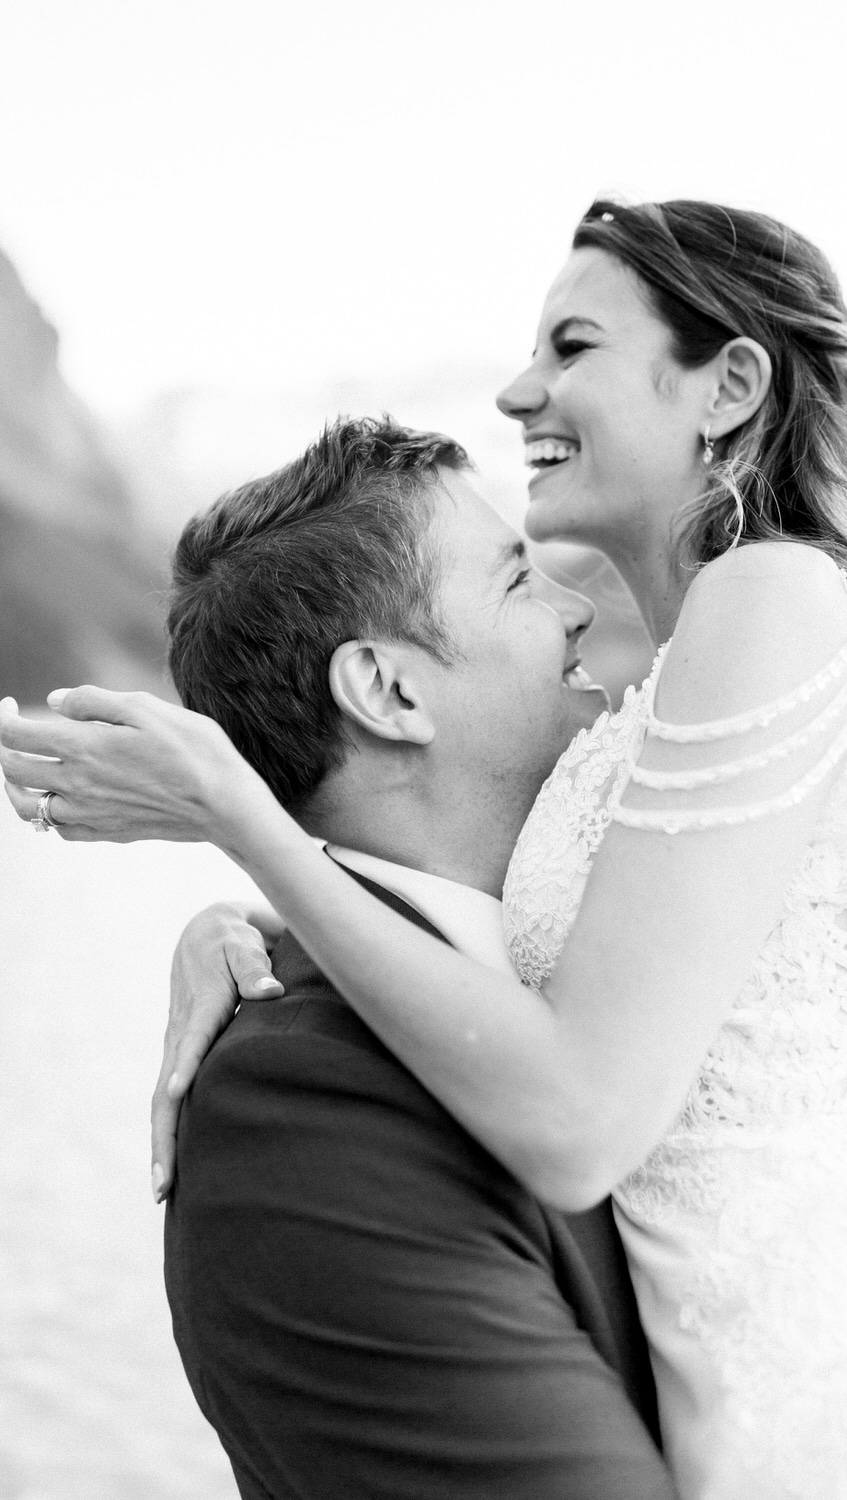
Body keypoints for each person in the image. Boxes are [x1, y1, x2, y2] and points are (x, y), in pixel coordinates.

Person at [4, 199, 847, 1498]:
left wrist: (242, 820)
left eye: (573, 344)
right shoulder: (668, 707)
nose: (521, 386)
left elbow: (579, 1107)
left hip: (830, 1402)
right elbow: (551, 920)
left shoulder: (768, 599)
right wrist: (267, 935)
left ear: (728, 386)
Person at [29, 418, 678, 1498]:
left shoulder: (619, 957)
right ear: (387, 692)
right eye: (519, 581)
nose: (579, 610)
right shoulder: (294, 1112)